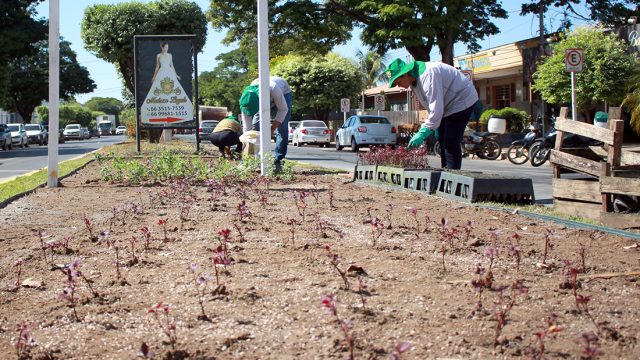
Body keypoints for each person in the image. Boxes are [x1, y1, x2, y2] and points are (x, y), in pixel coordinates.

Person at [388, 58, 478, 169]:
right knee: (441, 140)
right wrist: (435, 126)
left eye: (399, 82)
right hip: (447, 105)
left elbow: (436, 109)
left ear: (405, 74)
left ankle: (453, 178)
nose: (399, 85)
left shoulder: (428, 75)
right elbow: (431, 105)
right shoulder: (414, 82)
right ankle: (446, 174)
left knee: (450, 142)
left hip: (462, 99)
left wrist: (423, 132)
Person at [239, 76, 293, 171]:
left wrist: (271, 130)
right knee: (255, 129)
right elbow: (247, 130)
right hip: (262, 98)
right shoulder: (245, 101)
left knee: (282, 128)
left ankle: (278, 161)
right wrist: (247, 142)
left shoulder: (273, 87)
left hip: (283, 92)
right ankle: (251, 160)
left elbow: (283, 110)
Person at [141, 42, 193, 126]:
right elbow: (157, 66)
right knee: (159, 89)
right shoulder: (158, 55)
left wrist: (176, 75)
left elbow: (172, 65)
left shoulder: (170, 55)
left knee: (174, 89)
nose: (166, 49)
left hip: (169, 72)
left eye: (167, 47)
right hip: (161, 72)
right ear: (162, 47)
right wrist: (154, 77)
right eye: (165, 47)